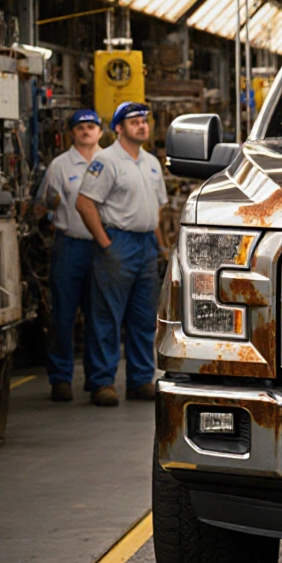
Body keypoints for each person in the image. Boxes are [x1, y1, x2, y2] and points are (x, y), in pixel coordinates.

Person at [75, 102, 167, 407]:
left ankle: (141, 379)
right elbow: (85, 203)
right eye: (134, 122)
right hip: (119, 243)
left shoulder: (152, 163)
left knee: (143, 318)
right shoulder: (106, 161)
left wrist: (161, 246)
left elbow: (156, 210)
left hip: (146, 245)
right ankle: (103, 382)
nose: (142, 126)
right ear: (118, 128)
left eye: (144, 121)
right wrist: (105, 244)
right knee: (107, 316)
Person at [36, 109, 104, 402]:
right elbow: (45, 204)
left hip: (103, 248)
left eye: (91, 126)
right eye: (80, 127)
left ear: (100, 132)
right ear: (71, 133)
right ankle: (61, 378)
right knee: (63, 315)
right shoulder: (60, 166)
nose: (86, 131)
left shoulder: (112, 162)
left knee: (100, 317)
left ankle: (99, 379)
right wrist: (47, 216)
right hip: (70, 246)